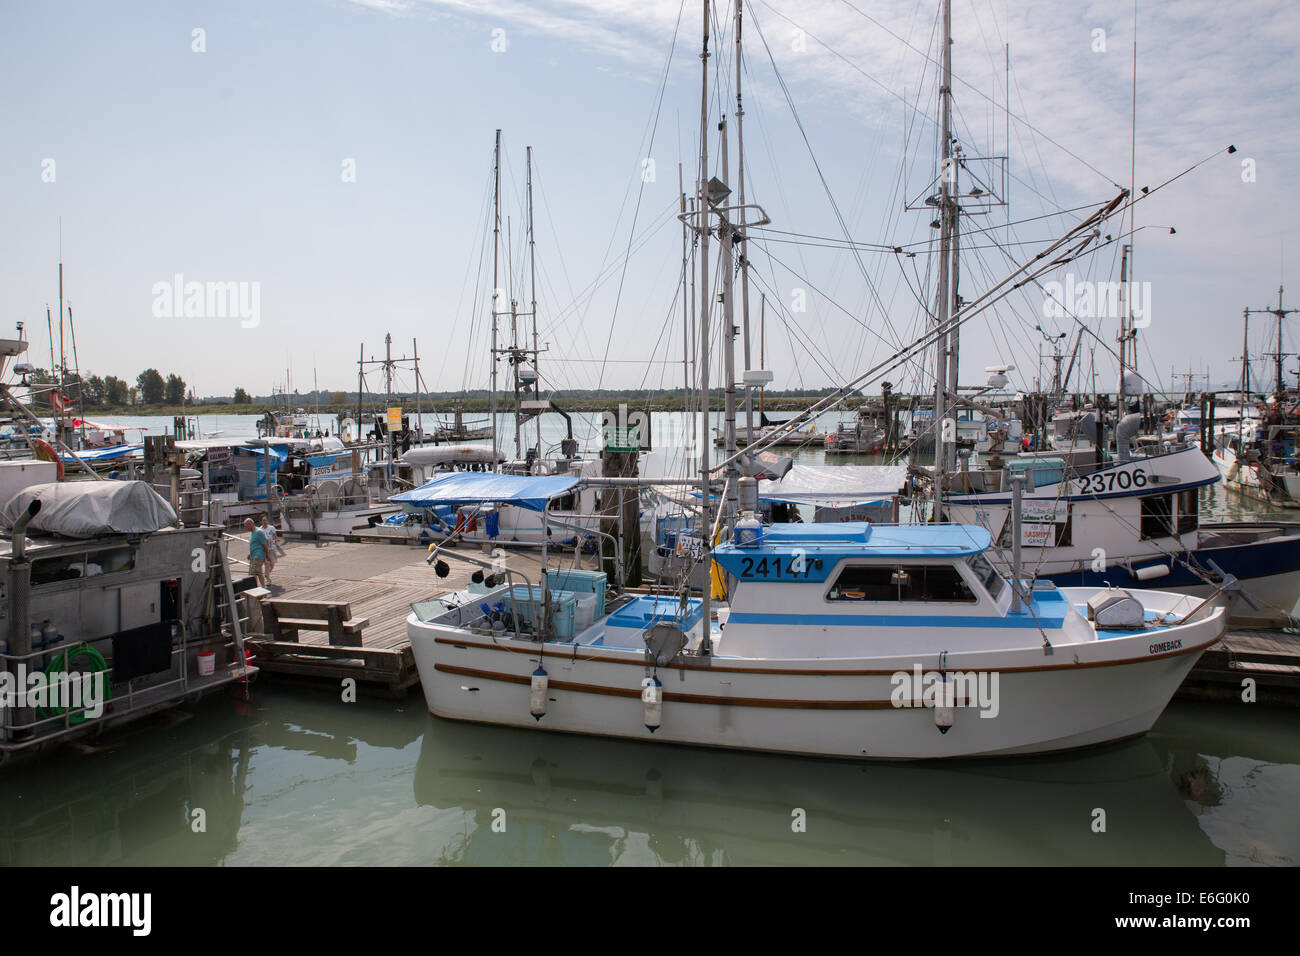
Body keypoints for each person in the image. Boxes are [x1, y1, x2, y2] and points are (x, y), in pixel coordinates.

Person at [244, 518, 268, 588]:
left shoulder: (259, 532)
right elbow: (255, 545)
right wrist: (250, 554)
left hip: (258, 556)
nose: (245, 528)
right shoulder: (252, 532)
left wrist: (267, 555)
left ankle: (255, 589)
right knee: (259, 573)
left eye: (246, 526)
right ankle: (263, 588)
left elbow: (265, 544)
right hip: (253, 555)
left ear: (250, 524)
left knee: (253, 573)